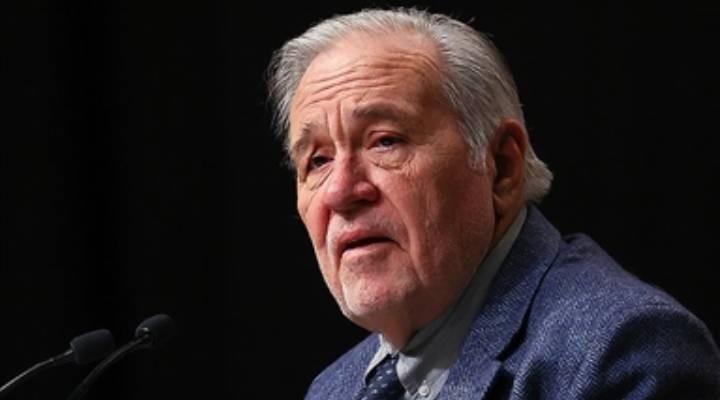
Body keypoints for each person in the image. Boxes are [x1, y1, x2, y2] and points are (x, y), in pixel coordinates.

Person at [266, 8, 720, 400]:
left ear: (501, 166)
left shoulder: (620, 351)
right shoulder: (335, 388)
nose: (341, 192)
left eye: (385, 141)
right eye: (318, 160)